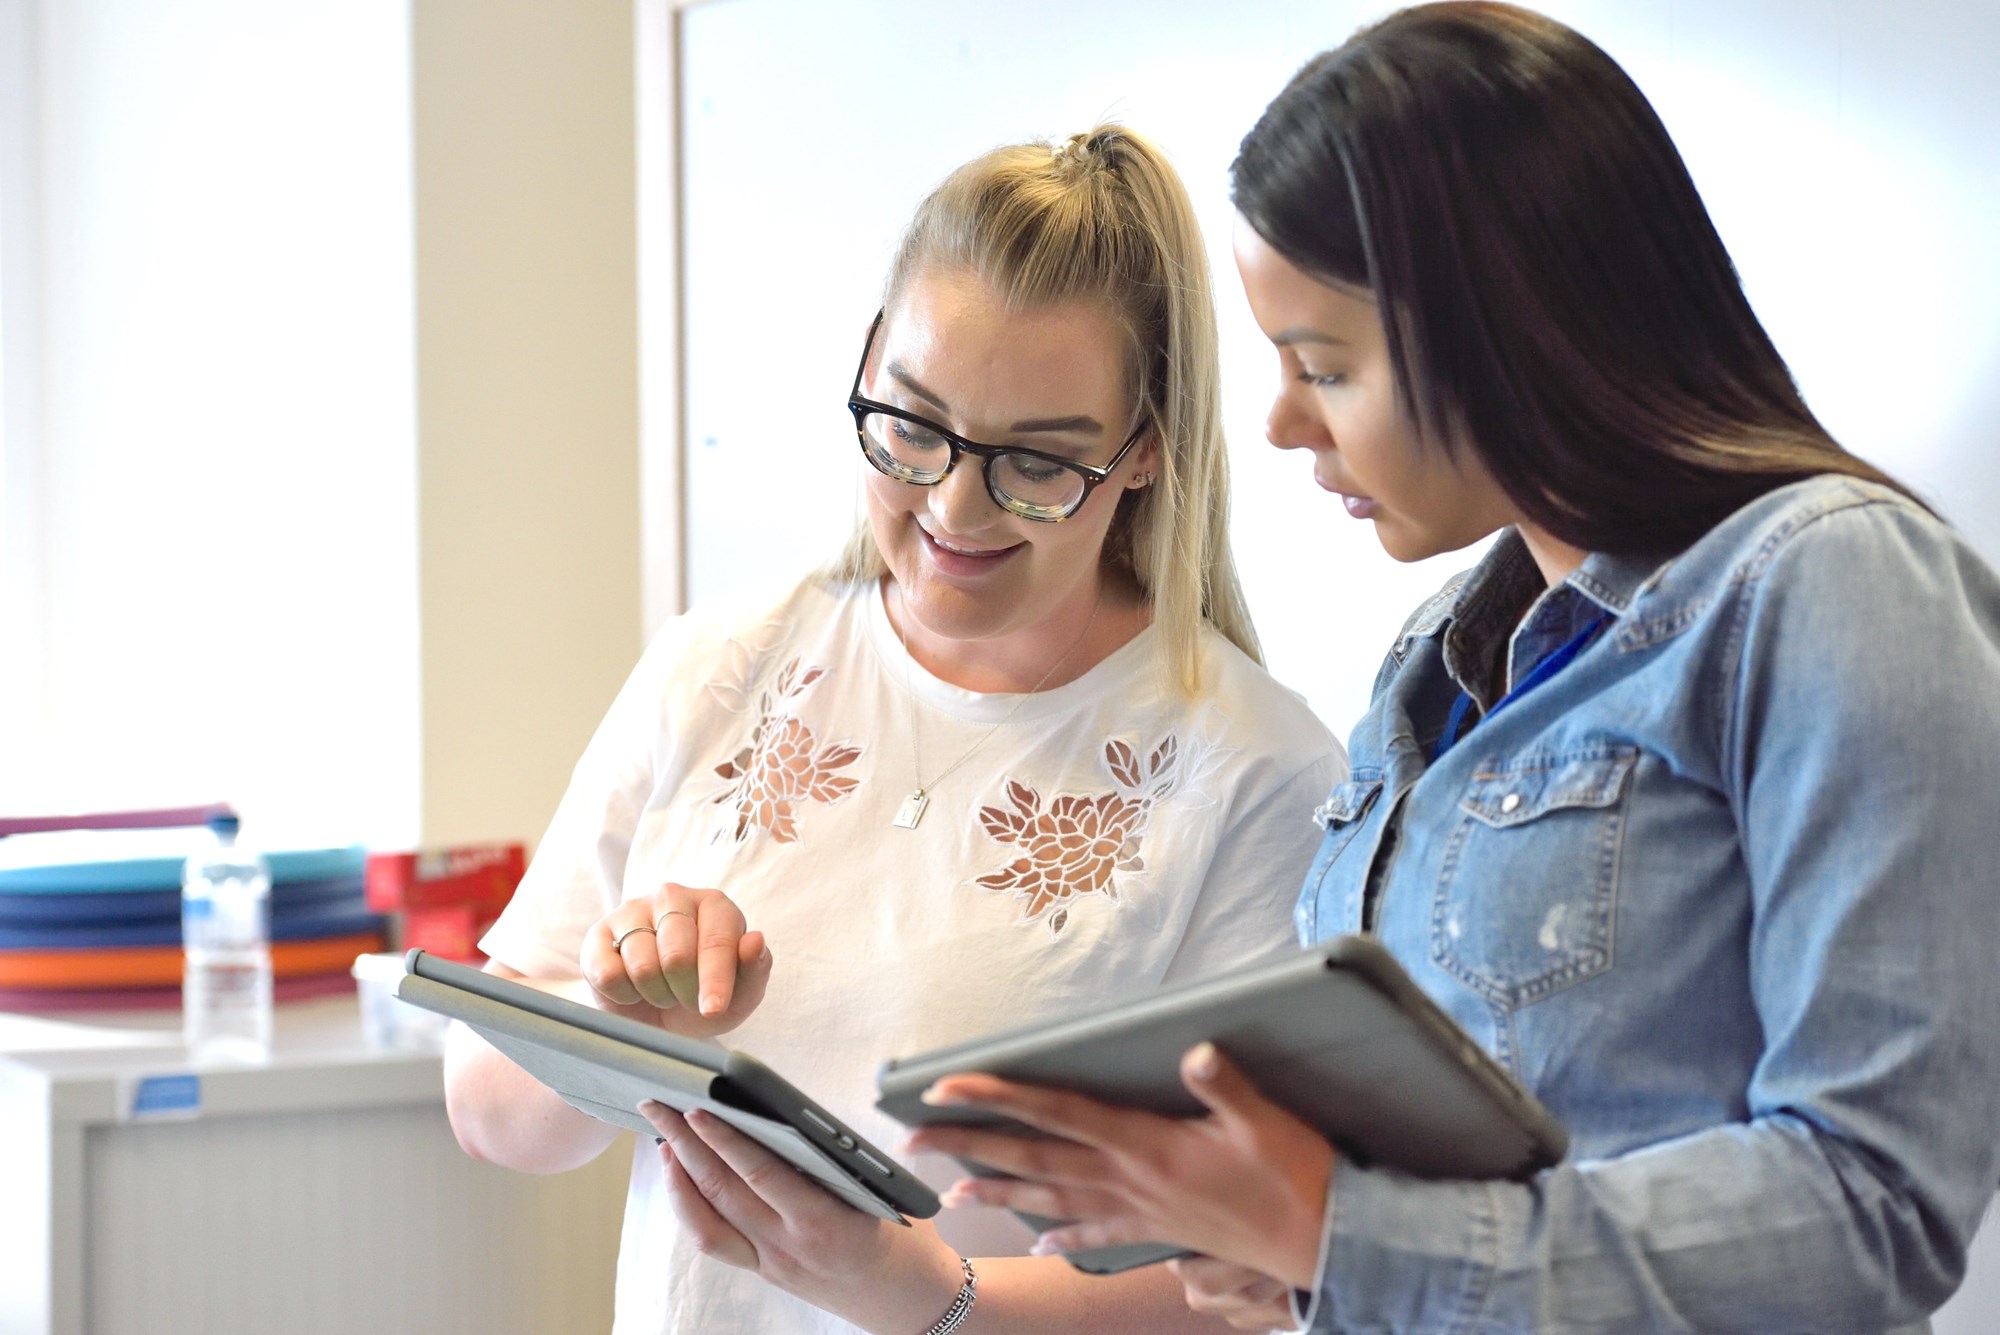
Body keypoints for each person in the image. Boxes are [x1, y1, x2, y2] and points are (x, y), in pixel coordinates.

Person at [900, 6, 2000, 1333]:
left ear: (1508, 325)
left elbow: (1877, 1195)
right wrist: (1283, 1252)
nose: (1283, 422)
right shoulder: (1434, 662)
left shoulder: (1832, 586)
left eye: (1327, 365)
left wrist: (1343, 1228)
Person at [441, 123, 1345, 1335]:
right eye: (911, 426)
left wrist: (930, 1298)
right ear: (868, 357)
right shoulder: (723, 665)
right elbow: (486, 1113)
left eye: (1035, 460)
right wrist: (625, 1030)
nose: (952, 509)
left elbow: (1260, 1275)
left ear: (1142, 449)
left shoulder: (1257, 773)